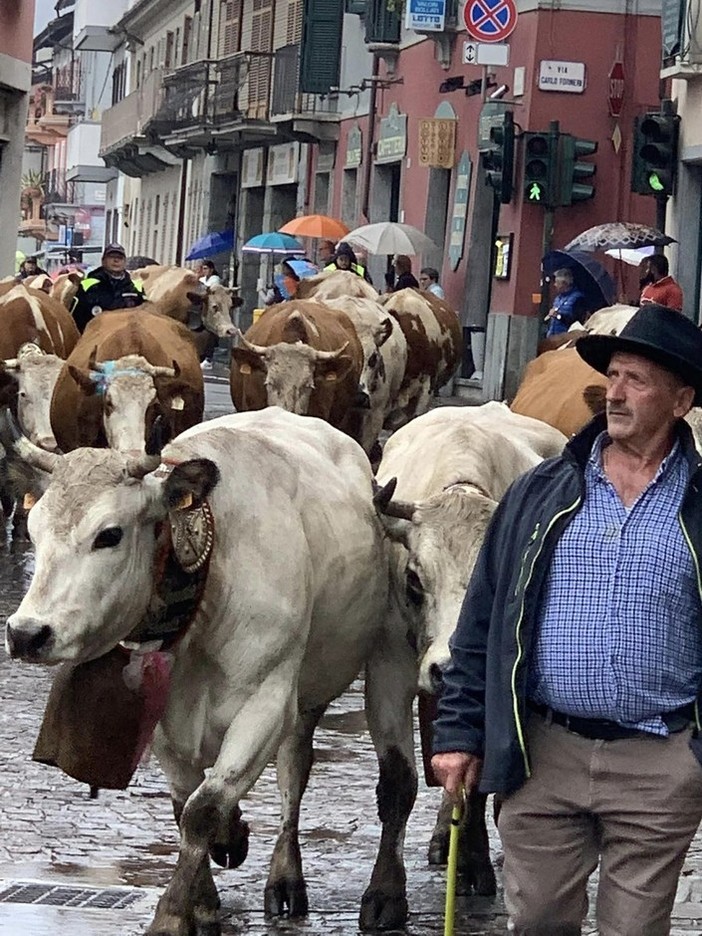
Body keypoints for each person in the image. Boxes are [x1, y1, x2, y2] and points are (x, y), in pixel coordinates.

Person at [431, 302, 702, 936]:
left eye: (637, 380)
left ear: (681, 399)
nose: (616, 392)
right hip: (542, 754)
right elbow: (482, 621)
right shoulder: (542, 490)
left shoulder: (699, 502)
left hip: (659, 762)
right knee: (537, 924)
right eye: (613, 377)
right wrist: (459, 732)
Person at [71, 243, 145, 333]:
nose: (116, 260)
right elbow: (75, 319)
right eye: (112, 257)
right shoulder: (88, 285)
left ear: (125, 262)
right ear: (103, 261)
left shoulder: (136, 287)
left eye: (120, 258)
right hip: (95, 336)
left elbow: (145, 317)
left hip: (127, 337)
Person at [544, 267, 587, 337]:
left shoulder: (578, 299)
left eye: (557, 282)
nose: (555, 285)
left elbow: (577, 321)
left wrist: (558, 316)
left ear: (564, 284)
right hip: (552, 337)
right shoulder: (558, 298)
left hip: (566, 338)